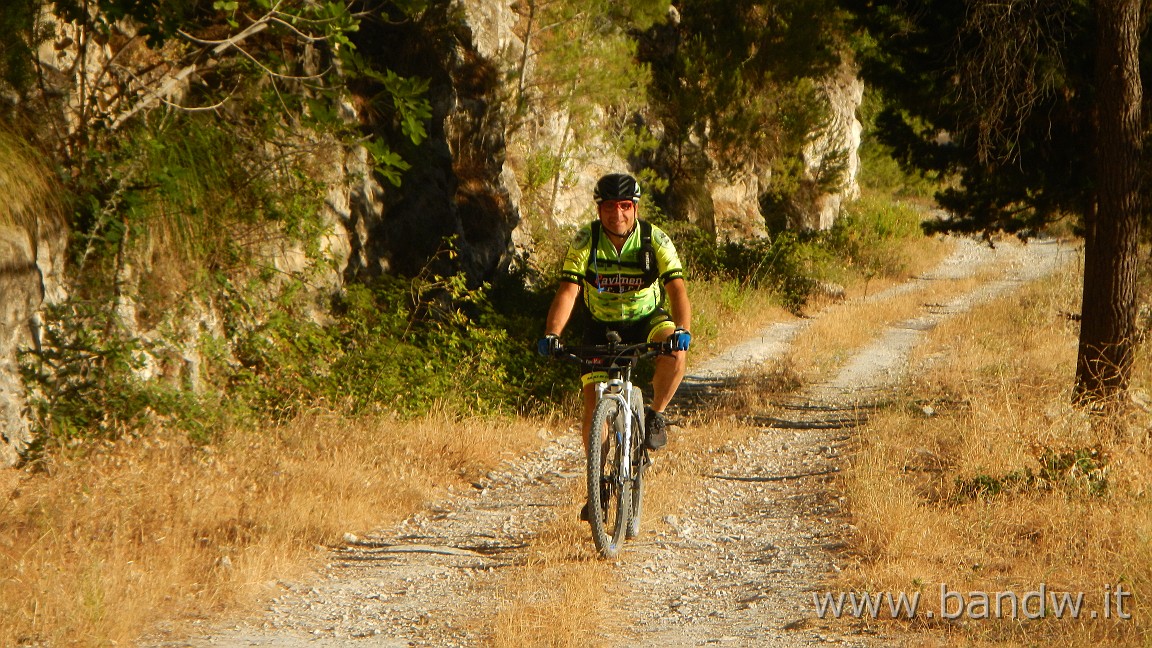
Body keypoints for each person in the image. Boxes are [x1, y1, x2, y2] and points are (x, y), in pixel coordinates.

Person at [536, 172, 692, 521]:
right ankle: (599, 486)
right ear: (599, 208)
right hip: (599, 323)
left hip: (647, 318)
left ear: (635, 208)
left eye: (624, 207)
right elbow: (568, 290)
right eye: (609, 207)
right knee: (594, 407)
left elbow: (677, 289)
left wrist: (682, 329)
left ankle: (655, 415)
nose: (617, 215)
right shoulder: (585, 240)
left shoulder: (655, 239)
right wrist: (552, 334)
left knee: (676, 353)